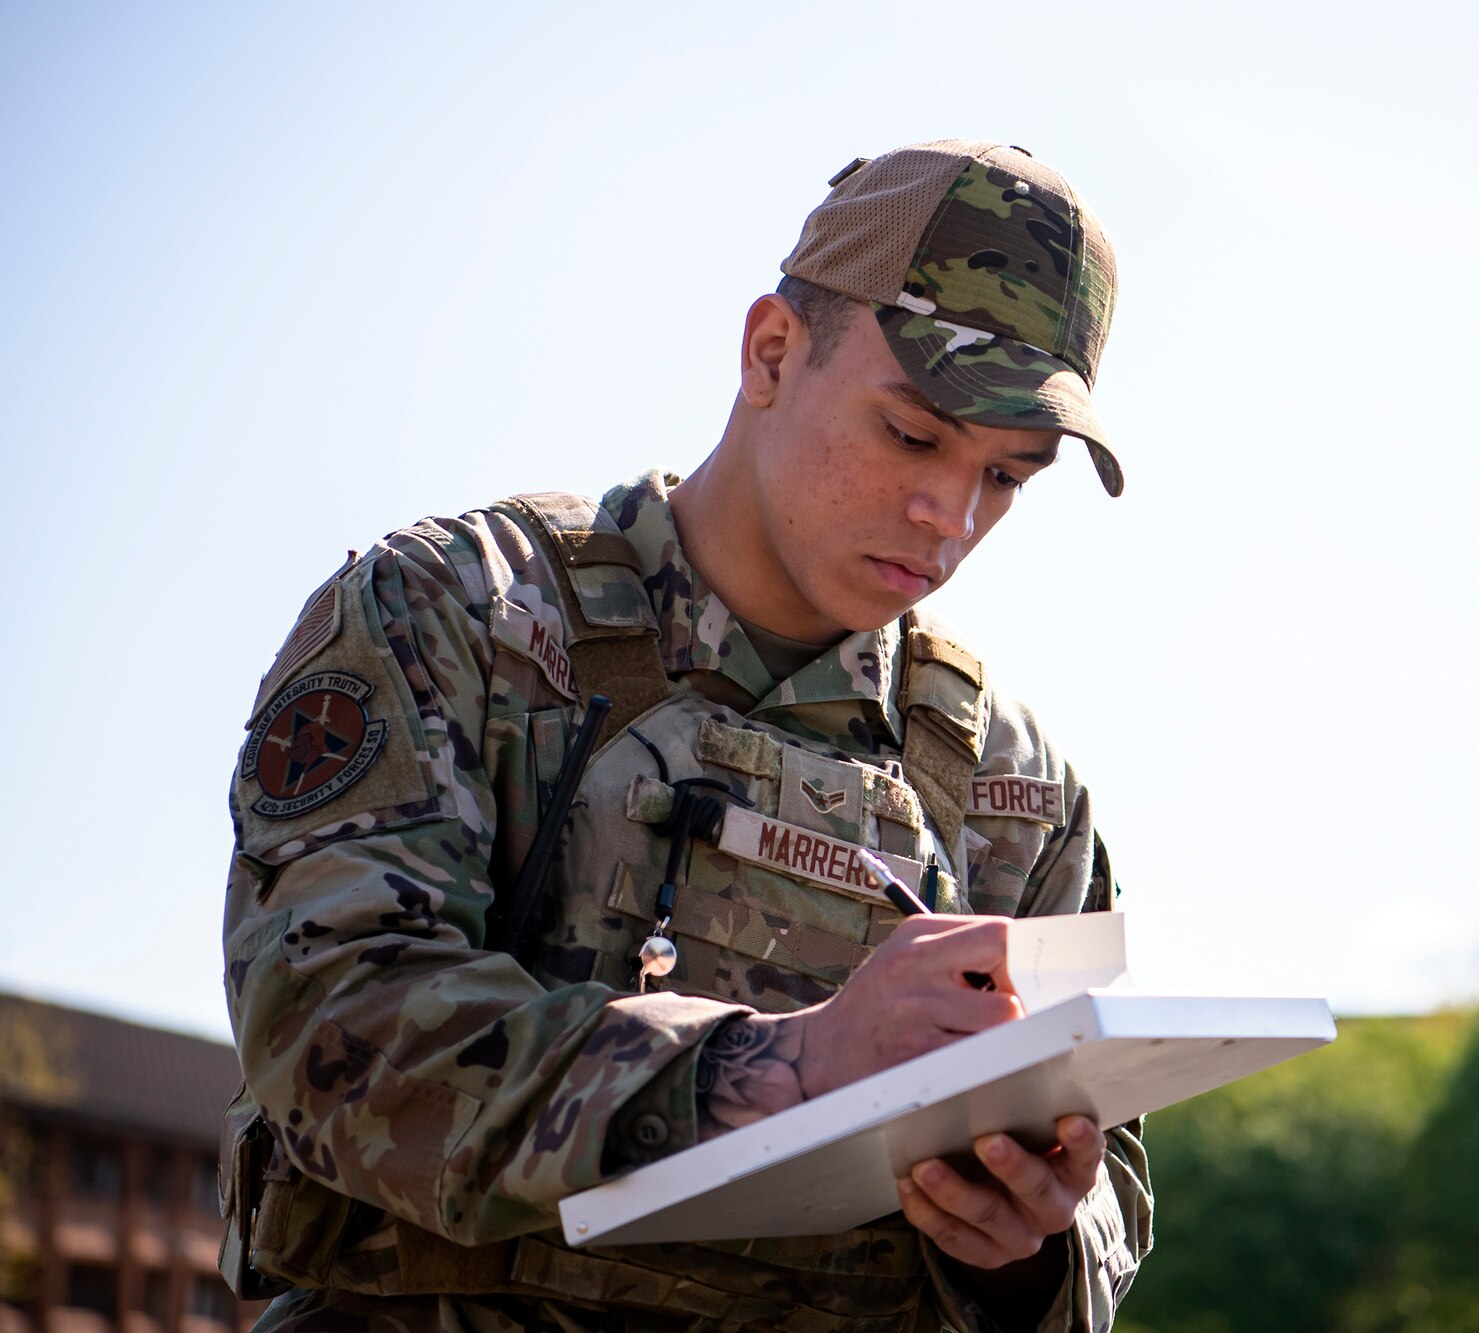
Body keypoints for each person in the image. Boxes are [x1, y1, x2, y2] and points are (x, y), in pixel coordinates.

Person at [218, 139, 1150, 1333]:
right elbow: (332, 1026)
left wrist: (1025, 1240)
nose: (950, 515)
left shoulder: (1012, 787)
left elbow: (1108, 1194)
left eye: (1009, 475)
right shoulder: (459, 615)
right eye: (914, 435)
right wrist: (782, 1070)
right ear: (771, 351)